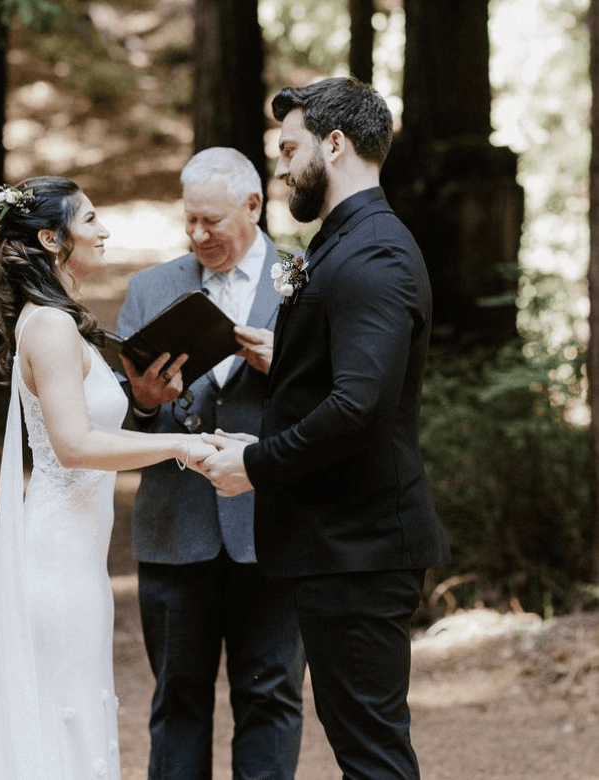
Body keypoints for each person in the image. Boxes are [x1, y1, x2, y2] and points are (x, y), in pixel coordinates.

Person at [200, 78, 452, 780]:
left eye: (290, 148)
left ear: (334, 144)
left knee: (372, 757)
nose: (281, 166)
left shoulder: (373, 253)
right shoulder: (343, 242)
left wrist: (256, 465)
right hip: (342, 545)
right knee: (361, 748)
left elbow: (360, 407)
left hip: (362, 548)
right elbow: (344, 382)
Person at [0, 175, 215, 780]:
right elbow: (75, 445)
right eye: (90, 221)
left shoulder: (60, 318)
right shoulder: (50, 326)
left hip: (79, 559)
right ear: (52, 239)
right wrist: (181, 444)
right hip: (57, 564)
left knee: (75, 716)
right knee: (63, 722)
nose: (105, 231)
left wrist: (148, 401)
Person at [116, 147, 306, 780]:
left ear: (253, 206)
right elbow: (118, 427)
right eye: (189, 221)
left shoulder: (305, 278)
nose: (199, 235)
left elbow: (346, 402)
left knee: (272, 699)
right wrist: (144, 404)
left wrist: (288, 371)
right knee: (177, 703)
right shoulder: (150, 289)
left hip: (274, 528)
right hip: (175, 528)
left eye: (213, 222)